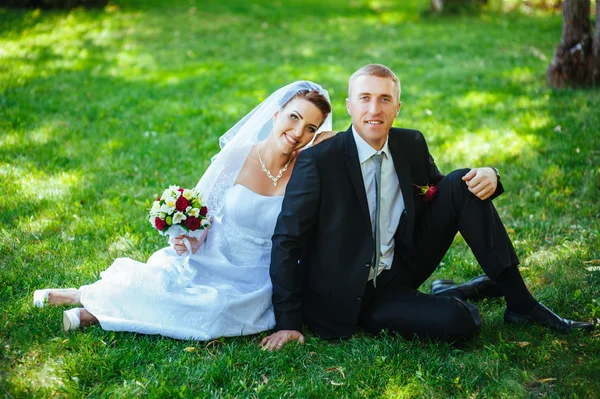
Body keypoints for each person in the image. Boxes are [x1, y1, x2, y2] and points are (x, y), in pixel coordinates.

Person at [261, 64, 594, 351]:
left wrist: (492, 176)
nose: (374, 109)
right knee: (459, 322)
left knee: (463, 181)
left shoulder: (411, 144)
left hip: (401, 266)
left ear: (397, 107)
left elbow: (441, 192)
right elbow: (287, 241)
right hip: (357, 294)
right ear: (349, 105)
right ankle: (458, 292)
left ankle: (522, 304)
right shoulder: (318, 163)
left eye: (384, 99)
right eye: (365, 98)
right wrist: (288, 321)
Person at [33, 81, 332, 340]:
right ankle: (84, 299)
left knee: (216, 309)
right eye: (293, 117)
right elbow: (202, 212)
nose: (297, 132)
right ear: (275, 113)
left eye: (310, 128)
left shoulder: (305, 171)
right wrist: (190, 239)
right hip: (215, 255)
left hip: (258, 276)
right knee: (167, 284)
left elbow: (342, 141)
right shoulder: (238, 156)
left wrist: (323, 138)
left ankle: (91, 311)